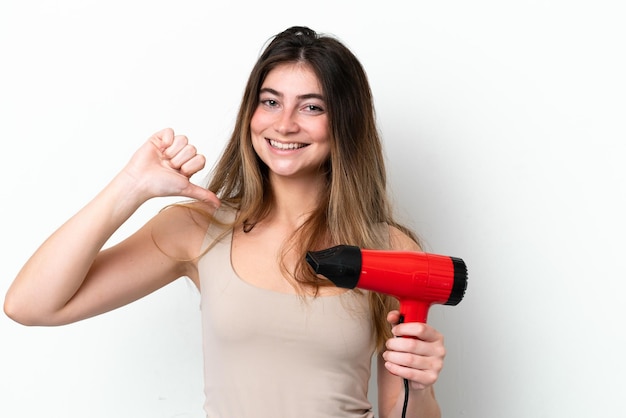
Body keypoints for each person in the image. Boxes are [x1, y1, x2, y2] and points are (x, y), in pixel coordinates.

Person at [4, 26, 446, 417]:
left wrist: (420, 389)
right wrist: (130, 186)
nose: (285, 124)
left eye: (312, 107)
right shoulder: (197, 229)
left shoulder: (388, 248)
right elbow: (30, 306)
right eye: (270, 102)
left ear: (345, 124)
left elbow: (401, 412)